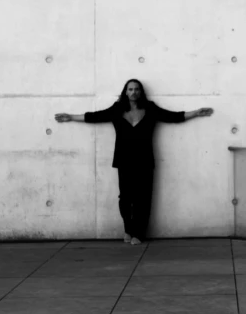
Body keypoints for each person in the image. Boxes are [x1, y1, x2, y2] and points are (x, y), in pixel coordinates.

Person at [54, 79, 213, 245]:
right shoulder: (117, 109)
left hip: (144, 159)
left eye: (137, 89)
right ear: (125, 92)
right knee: (125, 198)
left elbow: (171, 116)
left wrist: (195, 113)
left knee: (143, 198)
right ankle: (128, 229)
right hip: (124, 159)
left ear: (141, 92)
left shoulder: (150, 108)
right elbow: (96, 116)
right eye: (130, 89)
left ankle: (139, 233)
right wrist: (71, 117)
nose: (134, 92)